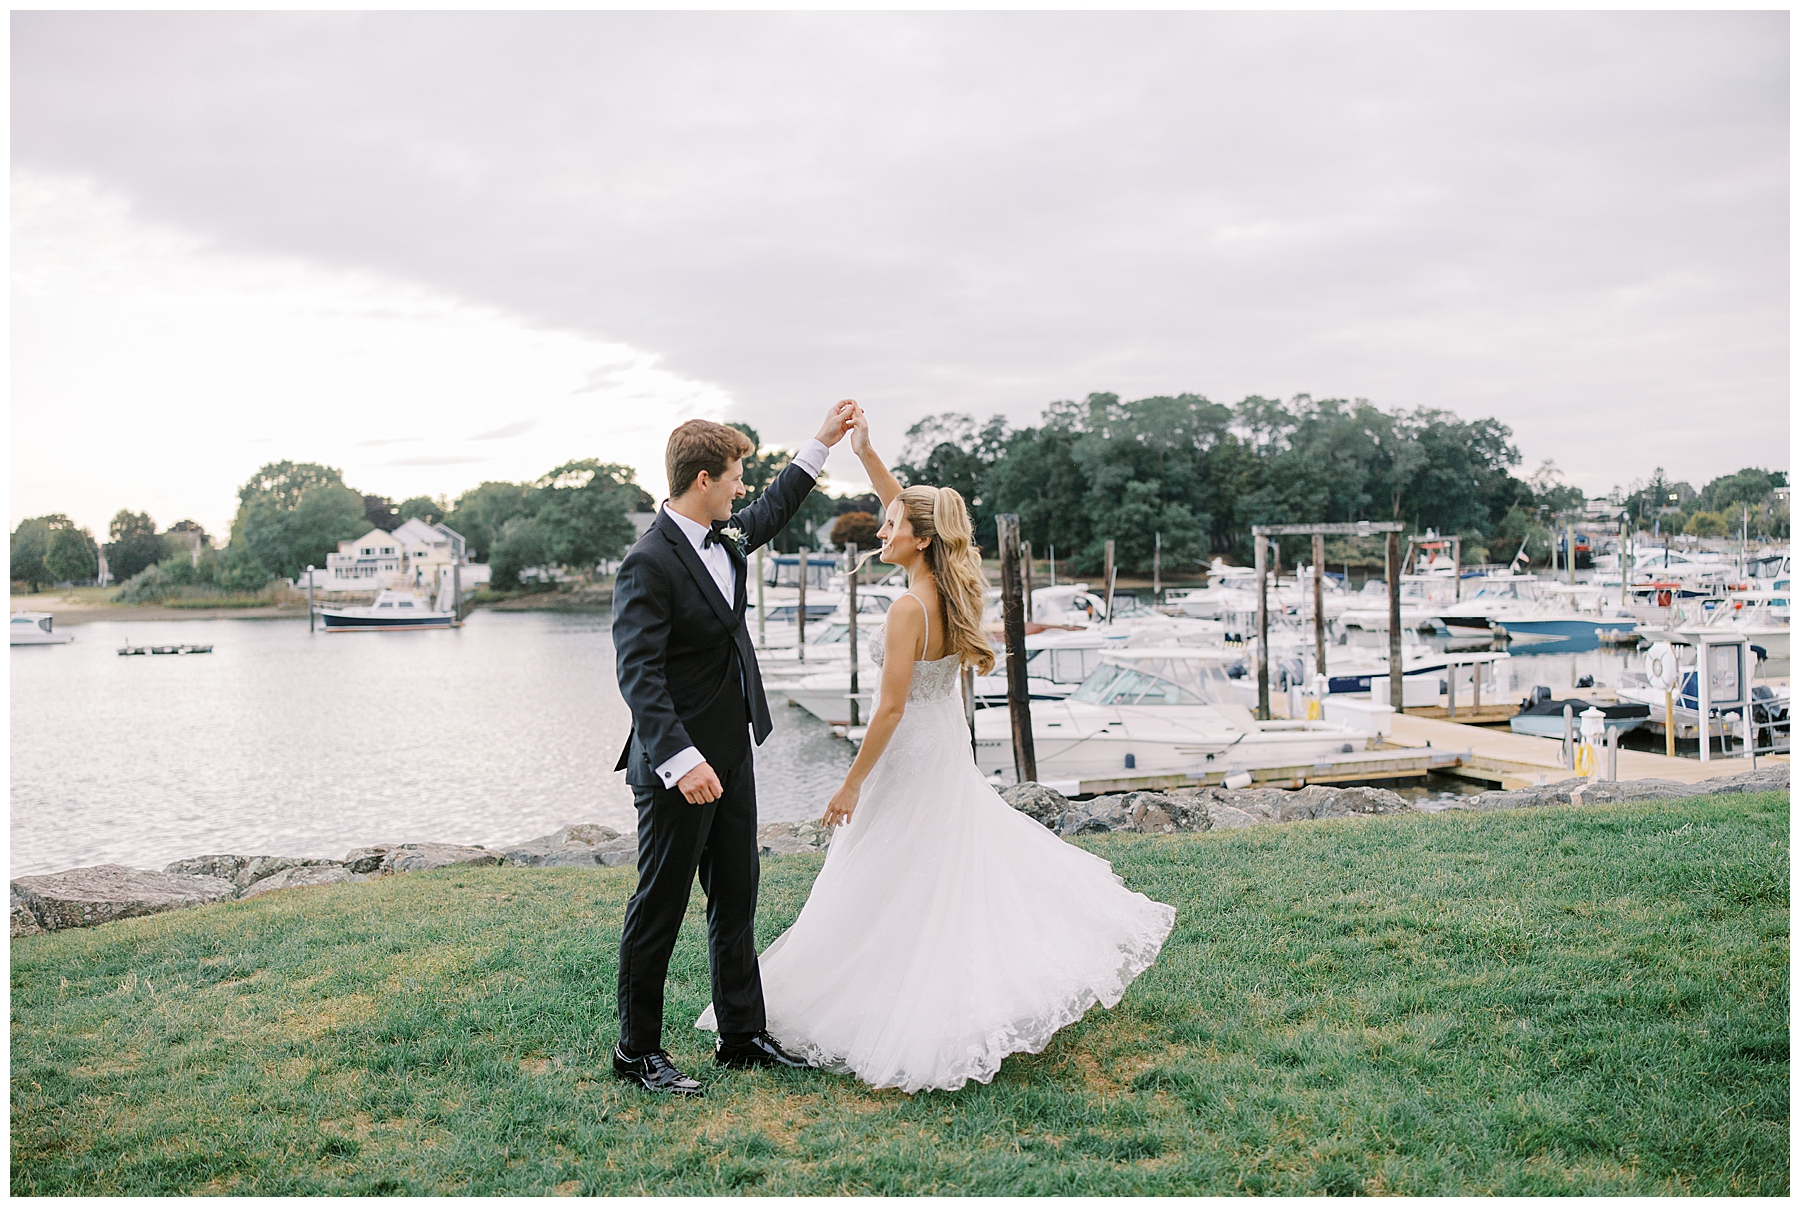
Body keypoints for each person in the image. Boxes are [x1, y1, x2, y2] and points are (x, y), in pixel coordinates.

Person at [697, 406, 1177, 1093]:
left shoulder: (906, 609)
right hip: (943, 750)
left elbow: (889, 709)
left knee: (885, 875)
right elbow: (911, 513)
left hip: (907, 750)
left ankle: (890, 1004)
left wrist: (851, 783)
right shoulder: (950, 596)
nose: (880, 527)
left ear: (918, 539)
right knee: (933, 869)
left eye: (891, 525)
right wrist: (866, 455)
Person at [610, 400, 856, 1096]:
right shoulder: (647, 562)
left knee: (737, 897)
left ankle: (741, 1034)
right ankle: (636, 1051)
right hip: (676, 766)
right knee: (659, 903)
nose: (743, 488)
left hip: (733, 750)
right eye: (735, 478)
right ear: (703, 479)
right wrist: (682, 761)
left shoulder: (725, 537)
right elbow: (639, 674)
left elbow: (775, 506)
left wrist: (821, 442)